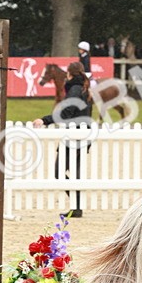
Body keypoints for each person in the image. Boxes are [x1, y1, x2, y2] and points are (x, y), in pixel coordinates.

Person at [33, 61, 93, 217]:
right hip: (84, 134)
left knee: (59, 172)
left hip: (74, 135)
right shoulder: (85, 88)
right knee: (75, 173)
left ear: (69, 74)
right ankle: (77, 207)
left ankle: (76, 206)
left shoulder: (74, 89)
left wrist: (45, 120)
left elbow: (65, 113)